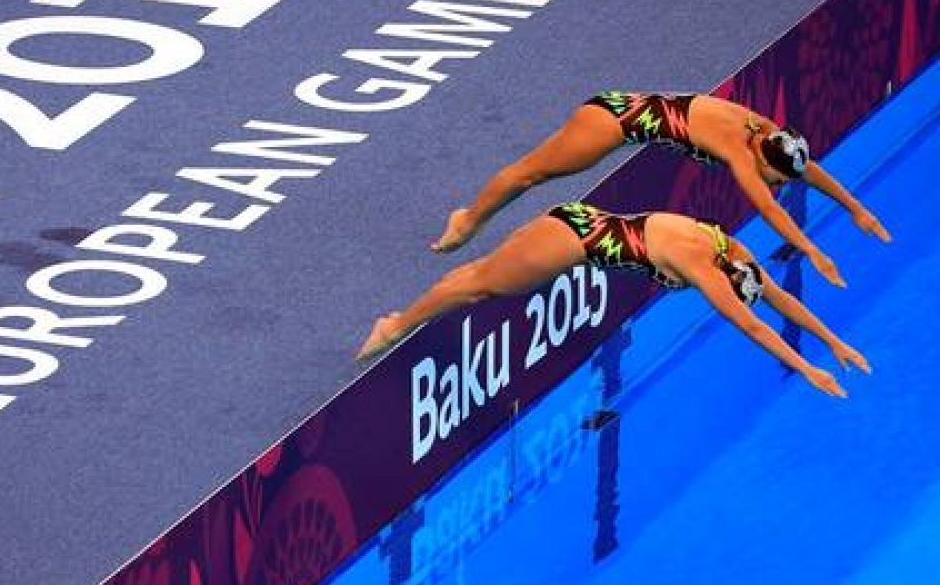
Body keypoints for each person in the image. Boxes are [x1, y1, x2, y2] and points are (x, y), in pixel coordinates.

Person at [359, 201, 870, 397]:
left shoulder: (726, 248)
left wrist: (834, 343)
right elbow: (755, 326)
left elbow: (777, 298)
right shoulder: (706, 270)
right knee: (479, 287)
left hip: (578, 221)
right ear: (726, 283)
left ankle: (402, 317)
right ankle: (396, 325)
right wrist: (807, 369)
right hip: (570, 245)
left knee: (478, 274)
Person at [430, 92, 891, 287]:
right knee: (533, 172)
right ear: (762, 160)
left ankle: (471, 219)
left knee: (538, 174)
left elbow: (807, 170)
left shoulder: (766, 134)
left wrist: (855, 207)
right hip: (612, 121)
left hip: (624, 120)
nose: (783, 184)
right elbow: (768, 210)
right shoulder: (736, 146)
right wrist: (812, 251)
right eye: (779, 178)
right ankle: (467, 219)